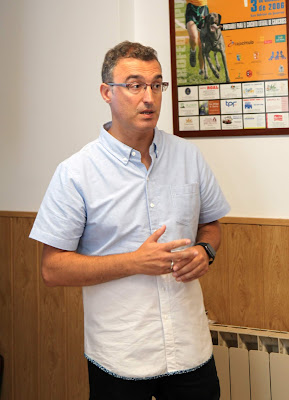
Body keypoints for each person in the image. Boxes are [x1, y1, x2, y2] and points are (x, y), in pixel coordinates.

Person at [30, 41, 230, 400]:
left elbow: (211, 226)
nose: (149, 98)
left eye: (157, 85)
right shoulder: (76, 173)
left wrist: (205, 251)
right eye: (135, 85)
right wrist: (134, 263)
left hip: (191, 349)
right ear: (107, 92)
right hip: (121, 356)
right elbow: (52, 269)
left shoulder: (188, 156)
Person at [185, 0, 209, 73]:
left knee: (202, 44)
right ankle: (193, 50)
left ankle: (201, 69)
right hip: (191, 8)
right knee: (193, 37)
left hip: (203, 9)